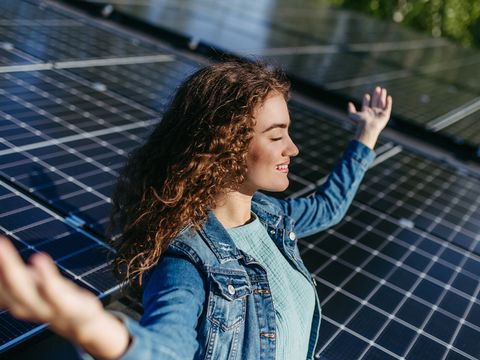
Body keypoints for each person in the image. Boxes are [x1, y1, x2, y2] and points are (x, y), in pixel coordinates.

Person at [0, 60, 392, 360]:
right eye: (277, 135)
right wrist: (89, 325)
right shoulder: (187, 259)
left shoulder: (273, 218)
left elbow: (329, 207)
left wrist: (367, 134)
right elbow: (166, 347)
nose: (293, 149)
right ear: (226, 146)